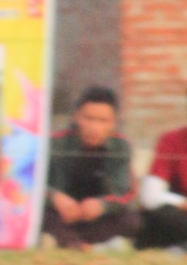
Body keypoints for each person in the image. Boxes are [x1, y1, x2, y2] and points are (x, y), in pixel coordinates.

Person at [42, 86, 136, 249]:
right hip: (61, 212)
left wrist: (102, 205)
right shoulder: (55, 142)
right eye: (89, 118)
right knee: (43, 216)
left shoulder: (121, 146)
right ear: (76, 117)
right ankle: (77, 243)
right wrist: (55, 197)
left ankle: (74, 242)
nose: (94, 127)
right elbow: (30, 183)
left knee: (133, 220)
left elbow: (125, 192)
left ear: (113, 123)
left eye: (102, 121)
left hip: (95, 216)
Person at [135, 105, 187, 250]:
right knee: (157, 216)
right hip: (179, 216)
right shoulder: (172, 140)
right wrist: (182, 202)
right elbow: (150, 196)